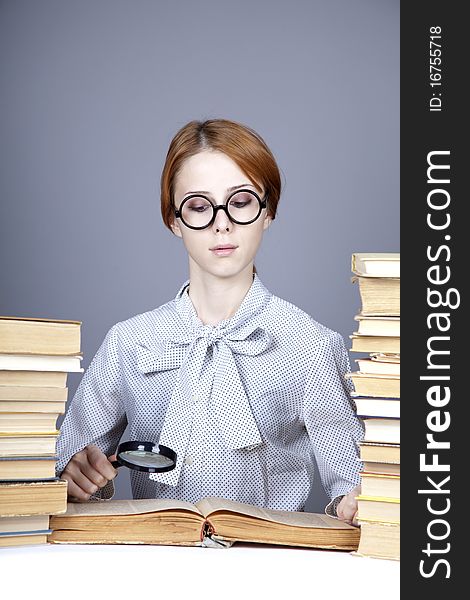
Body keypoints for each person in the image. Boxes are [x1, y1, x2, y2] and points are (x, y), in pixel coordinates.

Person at [56, 118, 364, 524]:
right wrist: (72, 475)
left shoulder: (311, 345)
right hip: (151, 562)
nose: (222, 223)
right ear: (174, 220)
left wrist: (356, 502)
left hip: (273, 568)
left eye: (240, 202)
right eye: (199, 206)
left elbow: (353, 481)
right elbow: (62, 469)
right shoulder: (128, 342)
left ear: (267, 211)